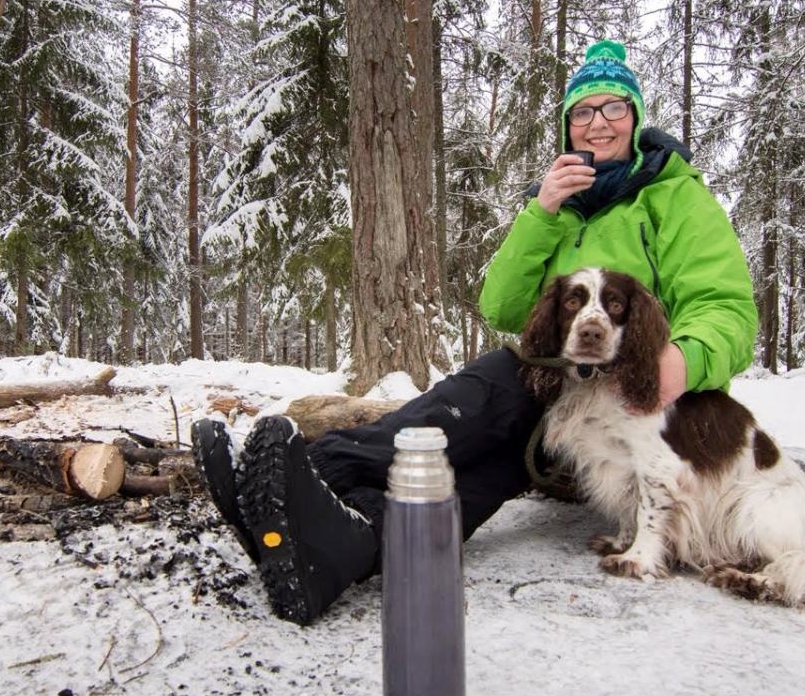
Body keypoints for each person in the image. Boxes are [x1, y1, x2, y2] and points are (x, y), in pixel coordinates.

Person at [191, 40, 757, 626]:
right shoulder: (556, 204)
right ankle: (338, 545)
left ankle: (312, 470)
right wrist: (540, 213)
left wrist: (681, 361)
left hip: (636, 410)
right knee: (483, 461)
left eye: (614, 108)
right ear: (568, 127)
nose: (598, 124)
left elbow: (728, 308)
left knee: (497, 389)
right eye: (583, 112)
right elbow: (504, 305)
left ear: (636, 119)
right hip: (563, 397)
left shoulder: (676, 194)